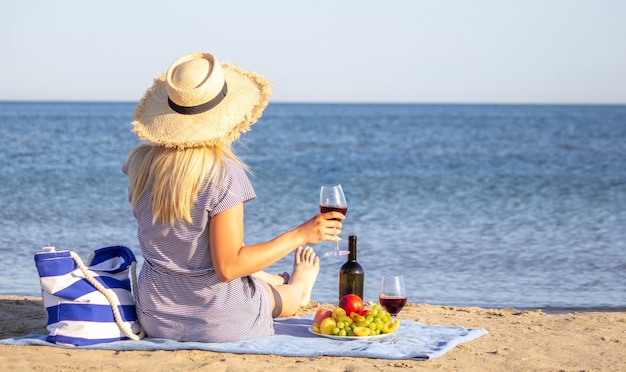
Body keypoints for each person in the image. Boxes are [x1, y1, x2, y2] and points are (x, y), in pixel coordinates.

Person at [122, 52, 344, 343]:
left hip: (157, 317)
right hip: (219, 322)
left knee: (239, 273)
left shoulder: (138, 164)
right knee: (281, 298)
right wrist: (300, 235)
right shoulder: (223, 172)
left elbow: (182, 246)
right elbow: (228, 267)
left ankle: (266, 277)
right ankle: (297, 285)